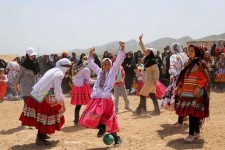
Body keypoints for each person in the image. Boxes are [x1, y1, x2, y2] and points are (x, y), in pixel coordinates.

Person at [79, 41, 125, 147]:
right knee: (97, 117)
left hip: (105, 98)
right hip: (96, 97)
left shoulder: (113, 71)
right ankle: (103, 128)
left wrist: (122, 50)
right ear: (102, 65)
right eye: (105, 64)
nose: (107, 66)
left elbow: (118, 62)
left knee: (107, 118)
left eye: (109, 64)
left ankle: (116, 138)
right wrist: (90, 54)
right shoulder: (99, 71)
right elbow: (91, 64)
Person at [19, 58, 72, 145]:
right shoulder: (59, 73)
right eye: (68, 67)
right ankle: (40, 138)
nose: (69, 69)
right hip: (46, 95)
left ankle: (42, 135)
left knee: (41, 115)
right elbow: (57, 89)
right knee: (46, 115)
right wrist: (62, 102)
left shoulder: (53, 70)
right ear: (66, 67)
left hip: (38, 92)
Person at [174, 45, 210, 142]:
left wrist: (198, 87)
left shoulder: (200, 63)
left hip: (196, 93)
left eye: (192, 51)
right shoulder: (187, 63)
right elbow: (182, 77)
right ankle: (196, 133)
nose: (189, 52)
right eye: (188, 50)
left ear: (197, 52)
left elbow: (205, 77)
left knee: (192, 113)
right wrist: (178, 87)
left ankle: (191, 134)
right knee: (192, 113)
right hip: (187, 92)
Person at [160, 43, 188, 126]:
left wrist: (172, 74)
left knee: (178, 99)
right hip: (186, 79)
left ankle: (180, 121)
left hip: (178, 79)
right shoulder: (185, 55)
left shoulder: (173, 56)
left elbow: (172, 67)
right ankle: (184, 116)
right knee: (185, 98)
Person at [134, 34, 160, 116]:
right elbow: (143, 49)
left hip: (151, 80)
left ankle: (139, 109)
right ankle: (157, 110)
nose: (145, 51)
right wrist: (141, 41)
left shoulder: (152, 60)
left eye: (148, 51)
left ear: (151, 53)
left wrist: (155, 80)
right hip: (149, 80)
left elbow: (157, 71)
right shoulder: (148, 59)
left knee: (142, 94)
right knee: (152, 95)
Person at [70, 61, 96, 126]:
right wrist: (97, 80)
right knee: (91, 103)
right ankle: (90, 119)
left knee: (78, 105)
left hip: (77, 87)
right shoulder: (86, 69)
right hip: (83, 88)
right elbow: (89, 81)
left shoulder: (81, 69)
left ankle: (76, 120)